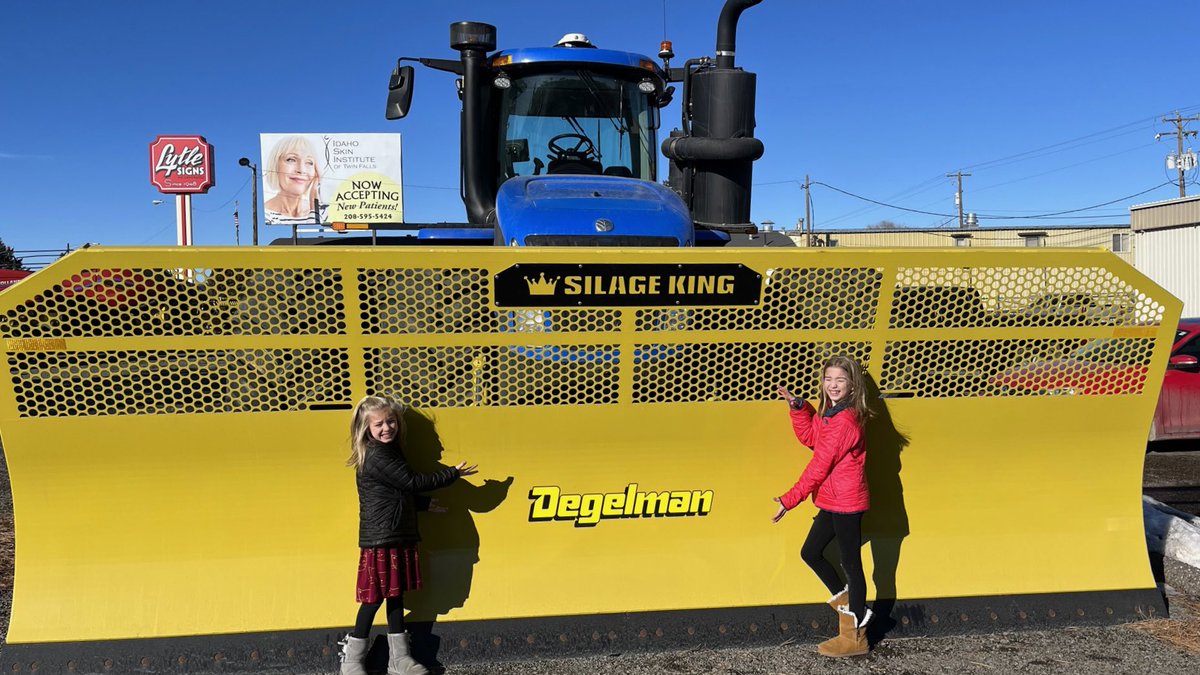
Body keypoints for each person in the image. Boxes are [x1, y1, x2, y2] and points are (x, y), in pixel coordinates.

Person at [339, 395, 478, 675]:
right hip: (381, 539)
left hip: (396, 534)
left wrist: (424, 505)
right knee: (373, 599)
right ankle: (352, 660)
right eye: (378, 424)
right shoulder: (377, 454)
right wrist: (452, 474)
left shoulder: (390, 452)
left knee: (396, 595)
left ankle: (399, 659)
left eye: (391, 421)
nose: (386, 428)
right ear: (366, 428)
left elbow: (394, 493)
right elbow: (411, 482)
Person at [772, 355, 873, 658]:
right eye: (828, 379)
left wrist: (789, 500)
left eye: (840, 380)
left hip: (846, 502)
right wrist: (800, 407)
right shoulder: (832, 413)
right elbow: (812, 438)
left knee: (851, 563)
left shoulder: (844, 420)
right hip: (832, 500)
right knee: (811, 553)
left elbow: (819, 465)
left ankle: (855, 637)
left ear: (853, 385)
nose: (832, 385)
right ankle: (849, 611)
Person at [263, 135, 324, 225]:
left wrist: (314, 204)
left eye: (309, 162)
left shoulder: (325, 214)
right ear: (275, 165)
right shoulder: (266, 215)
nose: (301, 170)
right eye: (291, 160)